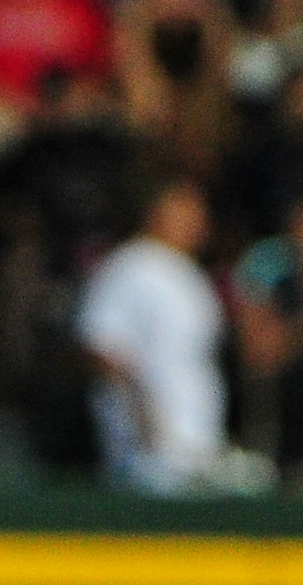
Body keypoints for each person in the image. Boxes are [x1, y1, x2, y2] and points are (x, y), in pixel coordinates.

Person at [76, 179, 267, 494]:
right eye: (184, 210)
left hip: (198, 447)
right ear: (156, 212)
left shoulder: (188, 272)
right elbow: (99, 345)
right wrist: (139, 412)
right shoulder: (132, 264)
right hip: (149, 452)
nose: (196, 221)